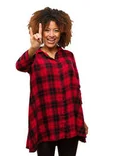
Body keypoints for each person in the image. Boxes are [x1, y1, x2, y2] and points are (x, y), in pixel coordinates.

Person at [15, 7, 88, 156]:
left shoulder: (69, 56)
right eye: (47, 30)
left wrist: (81, 119)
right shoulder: (35, 56)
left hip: (70, 122)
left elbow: (75, 91)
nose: (51, 35)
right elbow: (20, 66)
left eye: (55, 30)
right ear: (40, 31)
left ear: (62, 32)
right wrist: (33, 48)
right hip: (45, 122)